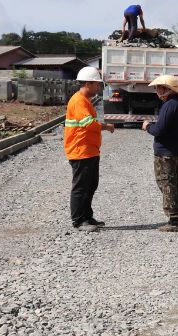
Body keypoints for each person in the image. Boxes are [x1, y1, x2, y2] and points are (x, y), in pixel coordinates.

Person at [142, 75, 178, 232]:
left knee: (167, 184)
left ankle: (174, 220)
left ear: (166, 89)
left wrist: (148, 126)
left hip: (165, 154)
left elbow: (159, 130)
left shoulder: (169, 105)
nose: (156, 90)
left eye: (158, 87)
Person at [64, 66, 115, 232]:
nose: (98, 88)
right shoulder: (78, 101)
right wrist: (106, 126)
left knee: (91, 185)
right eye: (96, 84)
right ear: (88, 83)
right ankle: (79, 220)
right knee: (81, 187)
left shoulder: (85, 101)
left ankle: (87, 216)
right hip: (80, 151)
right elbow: (88, 124)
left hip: (90, 150)